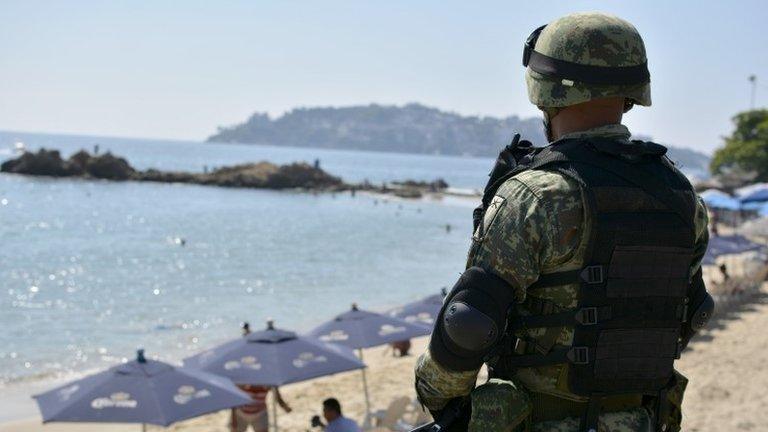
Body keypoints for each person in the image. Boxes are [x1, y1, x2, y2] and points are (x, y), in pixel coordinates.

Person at [415, 12, 714, 432]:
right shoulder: (682, 197)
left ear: (545, 89)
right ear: (632, 91)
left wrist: (436, 393)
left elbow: (468, 324)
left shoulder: (536, 196)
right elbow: (690, 312)